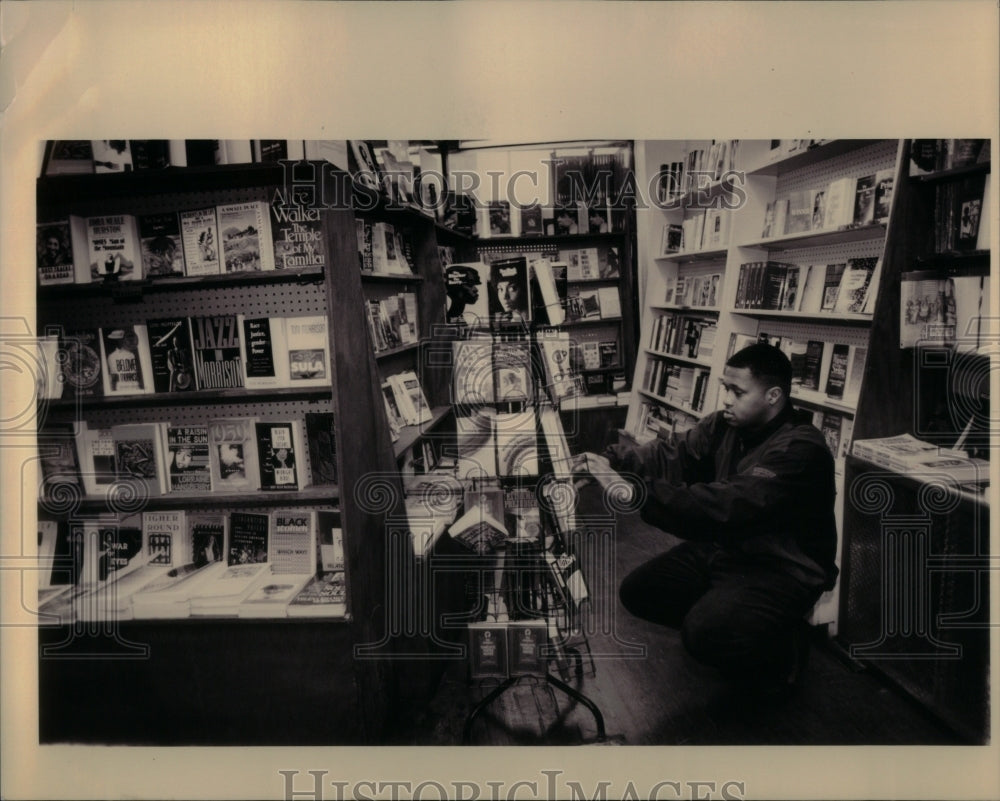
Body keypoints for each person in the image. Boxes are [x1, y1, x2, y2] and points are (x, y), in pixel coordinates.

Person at [572, 343, 838, 694]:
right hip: (730, 549)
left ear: (774, 396)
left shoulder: (800, 449)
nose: (726, 398)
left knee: (705, 634)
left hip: (783, 566)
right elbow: (672, 453)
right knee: (639, 591)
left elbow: (727, 504)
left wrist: (631, 490)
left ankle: (779, 647)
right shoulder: (724, 425)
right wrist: (612, 461)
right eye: (725, 388)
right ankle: (733, 616)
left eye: (737, 391)